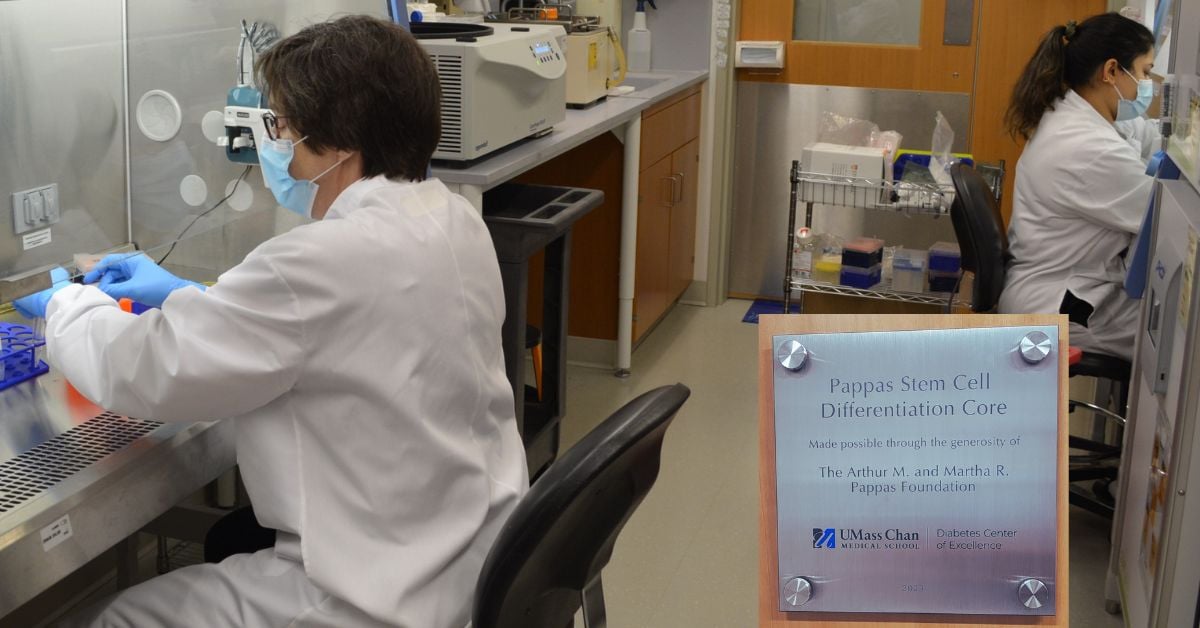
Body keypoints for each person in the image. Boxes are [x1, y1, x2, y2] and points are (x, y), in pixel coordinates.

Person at [17, 15, 527, 628]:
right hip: (476, 560)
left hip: (370, 596)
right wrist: (184, 296)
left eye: (282, 126)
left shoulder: (320, 261)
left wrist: (66, 306)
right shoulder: (454, 219)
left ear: (339, 146)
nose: (276, 144)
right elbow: (332, 332)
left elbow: (146, 370)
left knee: (109, 619)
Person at [999, 13, 1159, 360]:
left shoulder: (1079, 114)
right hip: (1060, 302)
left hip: (1065, 284)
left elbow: (1147, 135)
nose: (1148, 85)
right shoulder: (1088, 147)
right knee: (1177, 331)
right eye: (1145, 72)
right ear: (1111, 71)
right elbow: (1162, 215)